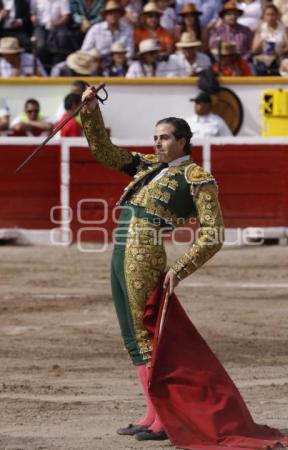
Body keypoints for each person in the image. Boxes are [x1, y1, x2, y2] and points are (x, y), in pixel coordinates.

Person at [80, 84, 224, 441]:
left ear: (183, 141)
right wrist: (90, 111)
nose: (157, 143)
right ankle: (151, 413)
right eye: (155, 137)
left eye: (164, 138)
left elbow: (213, 232)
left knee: (147, 336)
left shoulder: (197, 179)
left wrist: (181, 268)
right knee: (132, 336)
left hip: (145, 251)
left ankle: (165, 418)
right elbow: (104, 151)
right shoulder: (145, 166)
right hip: (120, 248)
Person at [81, 0, 134, 69]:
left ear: (120, 15)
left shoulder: (127, 29)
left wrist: (117, 58)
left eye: (116, 13)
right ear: (105, 16)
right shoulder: (95, 29)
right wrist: (98, 57)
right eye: (110, 13)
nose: (113, 16)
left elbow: (130, 52)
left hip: (120, 63)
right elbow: (84, 51)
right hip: (98, 64)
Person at [30, 0, 77, 71]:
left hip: (59, 25)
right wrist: (33, 18)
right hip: (41, 26)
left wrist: (56, 24)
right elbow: (32, 13)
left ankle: (57, 68)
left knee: (62, 41)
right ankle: (43, 69)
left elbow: (66, 16)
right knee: (40, 46)